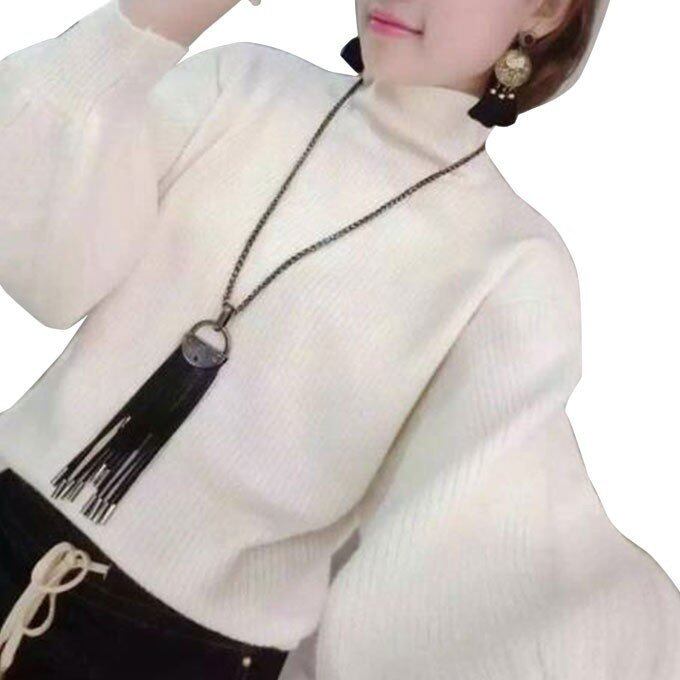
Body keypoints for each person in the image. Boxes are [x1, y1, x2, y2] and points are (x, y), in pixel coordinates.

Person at [0, 0, 679, 678]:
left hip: (171, 655)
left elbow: (485, 550)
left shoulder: (510, 266)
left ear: (547, 11)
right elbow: (50, 275)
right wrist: (157, 21)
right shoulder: (242, 83)